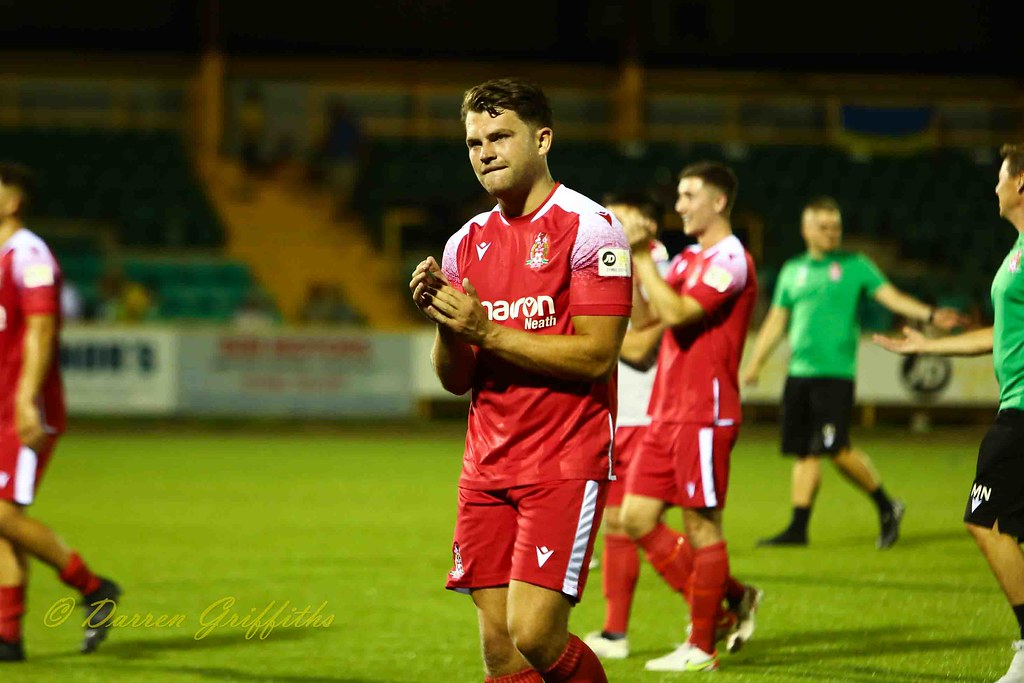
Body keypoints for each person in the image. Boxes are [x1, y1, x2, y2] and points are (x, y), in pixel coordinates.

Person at [409, 78, 632, 683]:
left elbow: (597, 357)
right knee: (502, 652)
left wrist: (487, 331)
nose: (485, 151)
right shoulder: (465, 244)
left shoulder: (592, 229)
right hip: (485, 467)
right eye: (474, 141)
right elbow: (456, 380)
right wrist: (448, 325)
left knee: (536, 635)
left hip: (563, 460)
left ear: (543, 138)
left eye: (500, 135)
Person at [873, 143, 1024, 682]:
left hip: (1021, 417)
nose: (995, 188)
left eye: (1001, 178)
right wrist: (926, 347)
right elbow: (1000, 336)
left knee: (982, 520)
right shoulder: (1017, 252)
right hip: (1015, 408)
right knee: (1008, 525)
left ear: (1021, 184)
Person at [741, 196, 962, 549]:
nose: (831, 234)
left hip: (835, 374)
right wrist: (756, 363)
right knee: (804, 451)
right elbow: (777, 320)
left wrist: (930, 315)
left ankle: (887, 505)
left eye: (836, 228)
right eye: (824, 227)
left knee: (836, 448)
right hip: (800, 372)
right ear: (806, 230)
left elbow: (891, 297)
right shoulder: (792, 269)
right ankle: (798, 528)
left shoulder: (856, 265)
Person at [617, 161, 762, 673]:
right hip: (666, 410)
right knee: (635, 517)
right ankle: (737, 597)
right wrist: (634, 260)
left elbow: (678, 314)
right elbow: (645, 320)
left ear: (718, 201)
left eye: (688, 195)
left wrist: (642, 256)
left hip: (705, 413)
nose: (678, 205)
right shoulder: (682, 262)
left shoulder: (732, 260)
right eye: (677, 195)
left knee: (702, 526)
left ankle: (702, 646)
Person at [0, 163, 121, 662]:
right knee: (3, 520)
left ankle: (93, 587)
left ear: (13, 201)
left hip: (22, 411)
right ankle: (8, 639)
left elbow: (42, 329)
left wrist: (27, 398)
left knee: (2, 513)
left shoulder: (29, 253)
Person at [582, 191, 671, 661]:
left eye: (624, 215)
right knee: (618, 524)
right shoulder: (610, 259)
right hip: (621, 417)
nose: (612, 222)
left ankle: (728, 600)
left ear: (648, 223)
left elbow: (637, 344)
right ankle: (616, 634)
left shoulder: (659, 260)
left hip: (656, 416)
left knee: (647, 524)